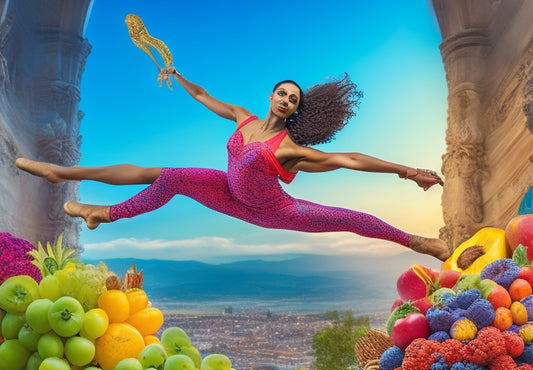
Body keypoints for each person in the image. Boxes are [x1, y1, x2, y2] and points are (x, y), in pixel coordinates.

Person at [16, 67, 449, 260]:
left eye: (293, 99)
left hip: (274, 210)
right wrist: (175, 73)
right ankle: (66, 177)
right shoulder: (244, 117)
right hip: (227, 192)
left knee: (350, 218)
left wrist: (406, 171)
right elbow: (206, 97)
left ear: (295, 110)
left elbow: (349, 158)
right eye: (282, 93)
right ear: (270, 96)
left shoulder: (288, 148)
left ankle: (422, 243)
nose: (285, 99)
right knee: (166, 175)